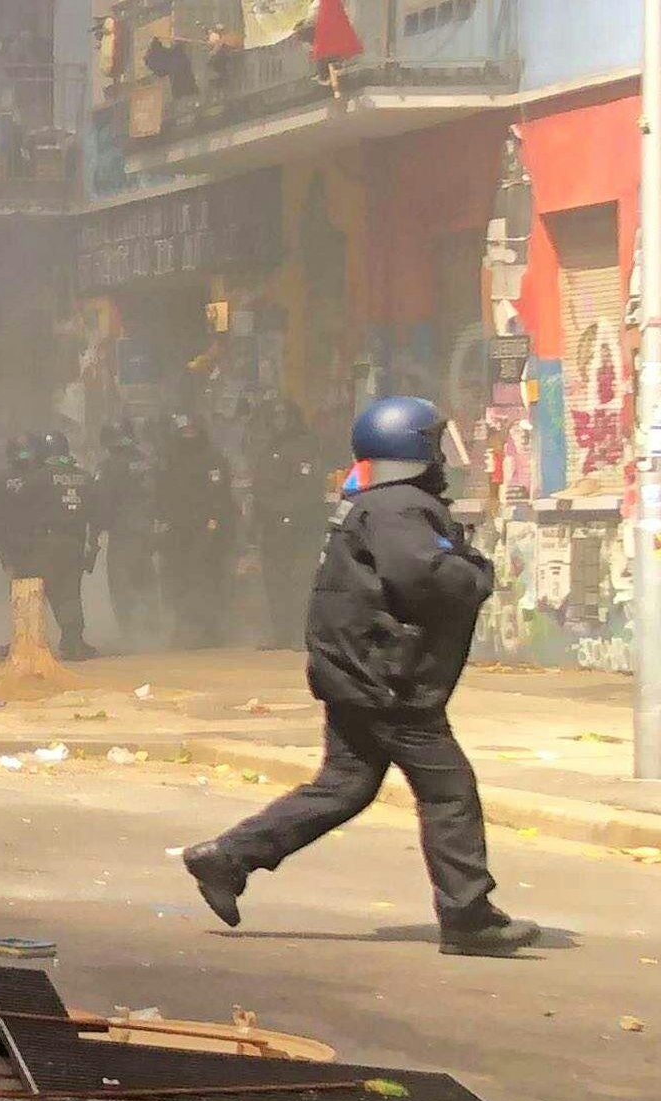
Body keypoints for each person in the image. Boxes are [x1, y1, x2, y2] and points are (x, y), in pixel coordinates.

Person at [182, 397, 531, 956]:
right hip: (388, 679)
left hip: (357, 670)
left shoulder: (372, 502)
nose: (442, 455)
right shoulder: (399, 507)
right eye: (434, 443)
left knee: (345, 786)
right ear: (412, 449)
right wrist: (479, 572)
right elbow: (426, 578)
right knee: (449, 791)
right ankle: (468, 917)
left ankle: (228, 858)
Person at [0, 432, 97, 659]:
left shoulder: (38, 477)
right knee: (69, 593)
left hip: (44, 543)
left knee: (31, 589)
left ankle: (25, 642)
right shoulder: (84, 476)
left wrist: (14, 547)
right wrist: (92, 545)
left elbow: (17, 509)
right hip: (75, 542)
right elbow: (97, 511)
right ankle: (73, 641)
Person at [245, 400, 328, 648]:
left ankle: (301, 634)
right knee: (275, 581)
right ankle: (281, 633)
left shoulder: (304, 447)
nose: (278, 421)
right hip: (272, 525)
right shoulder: (270, 448)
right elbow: (262, 488)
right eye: (274, 417)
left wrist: (287, 514)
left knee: (300, 580)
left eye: (282, 416)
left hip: (299, 525)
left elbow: (307, 489)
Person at [157, 411, 240, 647]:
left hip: (207, 530)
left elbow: (220, 496)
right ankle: (183, 627)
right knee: (177, 579)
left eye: (192, 430)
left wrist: (214, 524)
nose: (189, 435)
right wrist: (162, 520)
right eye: (184, 431)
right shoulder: (170, 459)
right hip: (177, 529)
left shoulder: (213, 459)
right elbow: (161, 493)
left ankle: (210, 630)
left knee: (207, 578)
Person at [94, 417, 163, 649]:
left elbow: (103, 502)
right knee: (146, 581)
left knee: (122, 586)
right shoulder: (146, 461)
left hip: (123, 534)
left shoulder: (109, 466)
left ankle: (131, 636)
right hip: (147, 531)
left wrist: (97, 528)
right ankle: (155, 630)